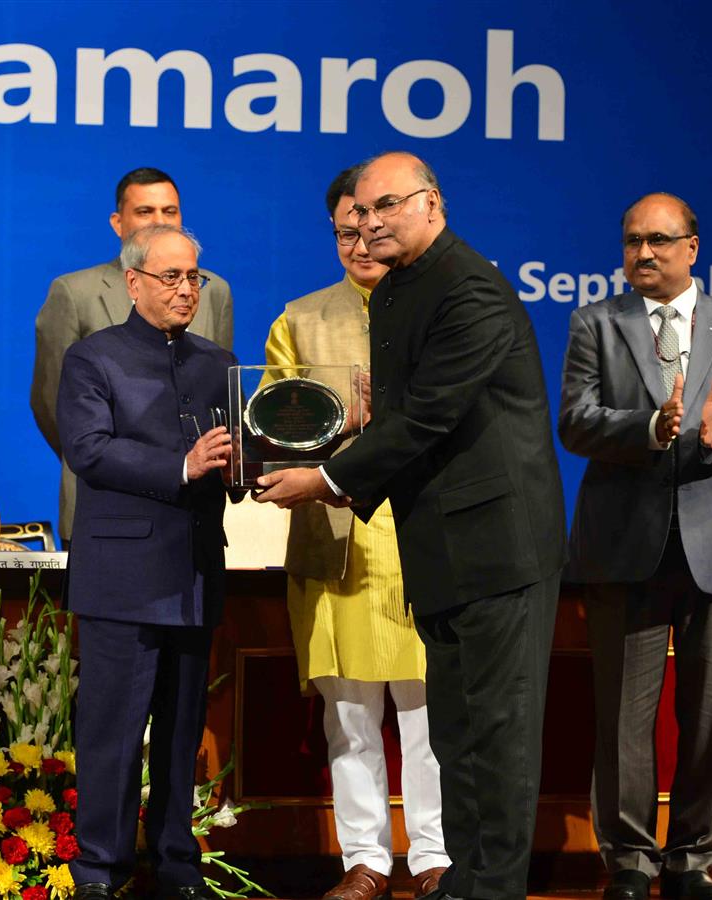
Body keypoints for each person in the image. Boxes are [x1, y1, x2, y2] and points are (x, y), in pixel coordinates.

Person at [255, 152, 565, 900]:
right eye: (359, 213)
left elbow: (427, 415)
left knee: (495, 733)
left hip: (499, 550)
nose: (369, 225)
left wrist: (328, 479)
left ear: (432, 203)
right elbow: (396, 413)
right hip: (440, 545)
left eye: (385, 206)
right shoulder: (399, 293)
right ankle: (463, 881)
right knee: (457, 733)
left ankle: (492, 888)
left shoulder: (470, 290)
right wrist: (348, 425)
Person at [557, 193, 712, 900]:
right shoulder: (595, 322)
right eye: (631, 241)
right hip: (625, 543)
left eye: (658, 241)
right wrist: (652, 427)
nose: (643, 254)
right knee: (624, 714)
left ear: (692, 248)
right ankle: (628, 862)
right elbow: (575, 422)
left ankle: (692, 862)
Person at [262, 166, 449, 900]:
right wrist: (348, 419)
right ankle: (365, 861)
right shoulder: (300, 319)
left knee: (429, 710)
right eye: (345, 229)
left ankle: (433, 855)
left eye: (372, 224)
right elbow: (276, 430)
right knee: (348, 714)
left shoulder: (439, 309)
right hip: (335, 539)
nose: (361, 241)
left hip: (418, 536)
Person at [57, 223, 236, 900]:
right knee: (111, 734)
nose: (187, 289)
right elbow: (89, 450)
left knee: (182, 733)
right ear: (133, 282)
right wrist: (181, 465)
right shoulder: (92, 358)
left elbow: (237, 461)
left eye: (195, 277)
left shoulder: (219, 364)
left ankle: (176, 865)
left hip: (193, 573)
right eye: (172, 277)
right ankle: (98, 870)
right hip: (122, 579)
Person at [32, 166, 235, 544]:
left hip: (195, 513)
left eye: (169, 211)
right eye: (145, 211)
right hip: (109, 505)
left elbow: (218, 397)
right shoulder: (74, 292)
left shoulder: (213, 289)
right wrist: (105, 455)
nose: (159, 221)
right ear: (117, 221)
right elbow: (52, 403)